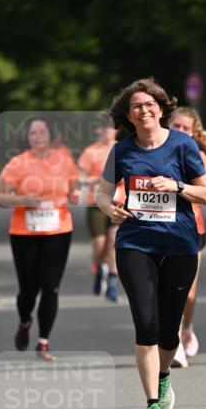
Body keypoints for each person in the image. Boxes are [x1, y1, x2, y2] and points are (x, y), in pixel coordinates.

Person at [96, 78, 206, 409]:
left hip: (179, 245)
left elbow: (205, 194)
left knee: (167, 329)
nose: (144, 111)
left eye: (149, 105)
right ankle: (151, 406)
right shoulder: (122, 151)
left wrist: (175, 185)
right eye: (135, 107)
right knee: (145, 323)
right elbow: (101, 194)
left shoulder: (183, 145)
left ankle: (163, 378)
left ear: (161, 108)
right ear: (127, 116)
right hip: (135, 244)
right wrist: (109, 209)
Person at [0, 117, 81, 359]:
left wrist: (76, 195)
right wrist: (22, 200)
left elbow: (75, 189)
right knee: (28, 288)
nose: (38, 136)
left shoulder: (64, 160)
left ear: (50, 136)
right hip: (24, 232)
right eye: (33, 133)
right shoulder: (18, 163)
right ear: (28, 138)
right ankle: (24, 321)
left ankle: (43, 341)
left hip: (58, 229)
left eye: (42, 131)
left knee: (50, 285)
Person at [168, 107, 206, 367]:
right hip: (162, 229)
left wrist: (175, 185)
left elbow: (202, 193)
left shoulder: (199, 156)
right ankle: (174, 342)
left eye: (186, 128)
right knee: (166, 289)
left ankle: (187, 328)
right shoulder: (155, 151)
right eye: (176, 126)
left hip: (192, 230)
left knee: (188, 293)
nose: (180, 131)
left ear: (194, 133)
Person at [78, 117, 121, 301]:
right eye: (103, 128)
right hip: (96, 203)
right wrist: (94, 180)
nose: (106, 131)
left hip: (119, 201)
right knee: (99, 245)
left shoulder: (123, 148)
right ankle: (98, 268)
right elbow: (79, 177)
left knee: (113, 242)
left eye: (110, 128)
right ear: (98, 131)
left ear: (116, 130)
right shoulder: (90, 152)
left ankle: (112, 282)